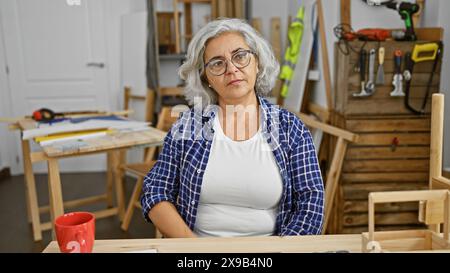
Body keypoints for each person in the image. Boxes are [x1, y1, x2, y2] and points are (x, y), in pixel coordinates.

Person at [141, 18, 324, 238]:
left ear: (257, 63)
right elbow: (155, 190)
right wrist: (194, 249)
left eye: (240, 56)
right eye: (217, 63)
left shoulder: (290, 128)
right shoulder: (188, 126)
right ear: (206, 78)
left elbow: (311, 204)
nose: (231, 69)